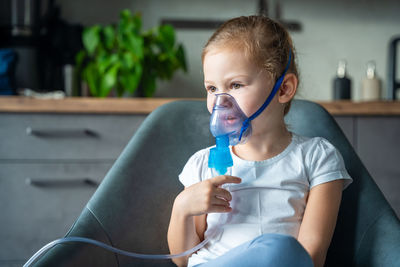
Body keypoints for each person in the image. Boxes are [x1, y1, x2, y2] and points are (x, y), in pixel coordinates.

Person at [167, 15, 352, 267]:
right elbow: (183, 259)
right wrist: (182, 209)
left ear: (283, 89)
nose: (220, 102)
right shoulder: (202, 165)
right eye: (211, 88)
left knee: (282, 249)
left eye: (235, 85)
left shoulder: (316, 157)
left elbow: (311, 258)